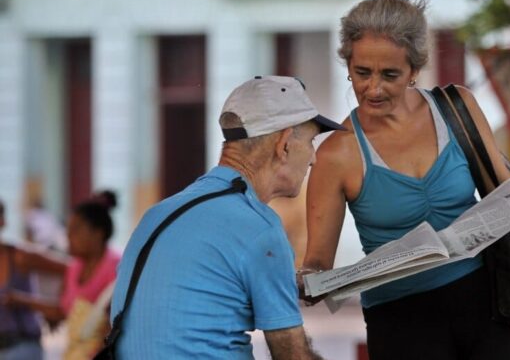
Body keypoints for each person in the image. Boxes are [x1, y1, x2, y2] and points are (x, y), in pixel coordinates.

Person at [298, 0, 510, 359]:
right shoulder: (336, 152)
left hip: (481, 303)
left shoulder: (456, 108)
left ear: (415, 71)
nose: (373, 88)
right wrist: (306, 281)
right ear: (347, 65)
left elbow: (505, 190)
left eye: (390, 74)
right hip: (399, 319)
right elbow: (317, 262)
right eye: (361, 73)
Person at [109, 75, 345, 359]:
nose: (313, 158)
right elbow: (292, 355)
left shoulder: (159, 213)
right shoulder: (258, 228)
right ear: (283, 144)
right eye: (310, 142)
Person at [5, 195, 121, 360]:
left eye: (76, 229)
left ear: (98, 233)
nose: (68, 235)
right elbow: (63, 310)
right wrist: (21, 300)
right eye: (68, 229)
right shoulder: (74, 268)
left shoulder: (117, 268)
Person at [0, 199, 44, 360]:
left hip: (20, 346)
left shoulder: (20, 256)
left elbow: (71, 268)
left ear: (2, 221)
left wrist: (55, 311)